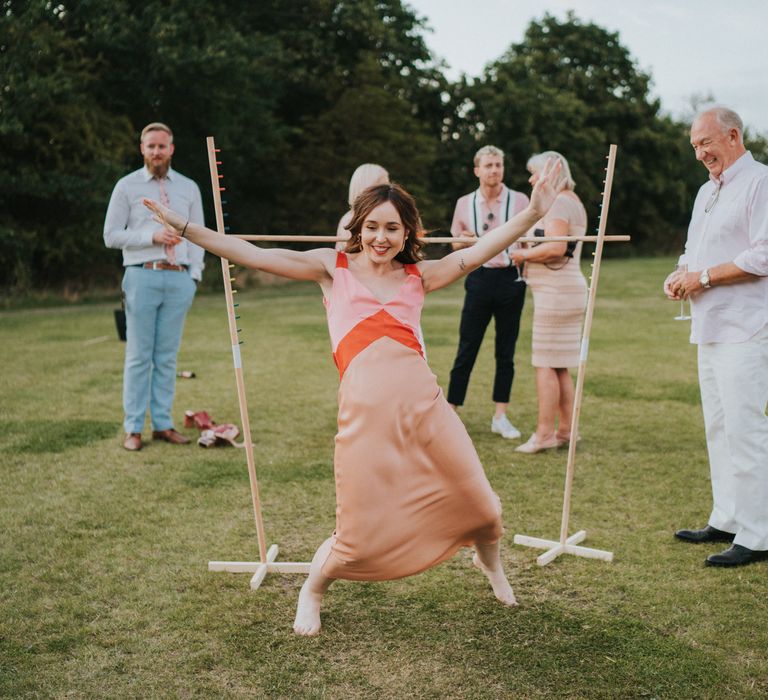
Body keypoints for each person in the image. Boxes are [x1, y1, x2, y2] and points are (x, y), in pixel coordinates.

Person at [143, 158, 563, 635]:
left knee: (484, 507)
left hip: (427, 412)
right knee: (357, 534)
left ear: (407, 234)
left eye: (393, 228)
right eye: (373, 227)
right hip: (364, 421)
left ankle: (491, 567)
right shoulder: (330, 267)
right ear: (358, 228)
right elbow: (250, 253)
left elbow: (479, 250)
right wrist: (185, 226)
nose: (382, 237)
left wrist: (531, 216)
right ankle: (313, 590)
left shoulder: (418, 277)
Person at [664, 106, 768, 568]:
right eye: (694, 146)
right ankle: (726, 516)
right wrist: (679, 274)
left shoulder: (761, 182)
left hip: (747, 326)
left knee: (746, 429)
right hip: (709, 325)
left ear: (732, 135)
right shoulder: (707, 191)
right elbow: (694, 250)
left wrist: (701, 278)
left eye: (706, 142)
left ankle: (760, 533)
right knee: (718, 426)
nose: (700, 153)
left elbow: (763, 255)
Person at [104, 122, 205, 451]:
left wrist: (194, 276)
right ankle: (133, 428)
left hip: (179, 278)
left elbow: (200, 234)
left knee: (167, 357)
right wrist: (151, 236)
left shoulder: (189, 187)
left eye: (162, 146)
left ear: (171, 149)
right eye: (151, 146)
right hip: (141, 275)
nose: (156, 152)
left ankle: (163, 424)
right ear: (142, 149)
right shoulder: (127, 186)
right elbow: (111, 235)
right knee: (138, 355)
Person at [447, 145, 530, 439]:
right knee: (466, 348)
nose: (495, 170)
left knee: (505, 351)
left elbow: (530, 240)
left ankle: (500, 415)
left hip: (510, 279)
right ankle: (451, 413)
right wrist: (464, 241)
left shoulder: (520, 200)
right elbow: (454, 244)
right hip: (479, 279)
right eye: (489, 165)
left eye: (499, 164)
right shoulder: (464, 203)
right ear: (477, 170)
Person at [510, 151, 588, 453]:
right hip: (564, 289)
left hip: (557, 291)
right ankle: (566, 431)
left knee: (544, 363)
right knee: (559, 365)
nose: (531, 179)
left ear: (550, 173)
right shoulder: (573, 200)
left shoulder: (558, 201)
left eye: (535, 173)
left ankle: (543, 434)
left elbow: (556, 247)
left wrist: (522, 255)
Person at [335, 163, 390, 251]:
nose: (390, 191)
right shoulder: (349, 220)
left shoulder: (394, 215)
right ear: (367, 187)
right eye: (383, 187)